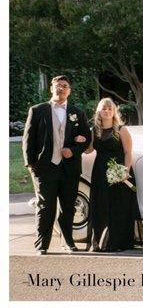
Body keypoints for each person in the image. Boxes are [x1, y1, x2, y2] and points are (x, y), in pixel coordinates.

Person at [22, 75, 91, 255]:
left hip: (70, 168)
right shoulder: (37, 110)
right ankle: (42, 245)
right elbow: (28, 140)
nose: (61, 88)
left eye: (64, 86)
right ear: (51, 88)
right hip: (44, 167)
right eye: (57, 85)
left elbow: (86, 138)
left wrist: (74, 150)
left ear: (69, 90)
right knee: (46, 207)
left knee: (68, 206)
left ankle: (68, 242)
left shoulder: (78, 112)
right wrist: (30, 165)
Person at [83, 98, 143, 252]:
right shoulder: (95, 130)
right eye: (104, 108)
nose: (107, 111)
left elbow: (128, 152)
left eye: (110, 109)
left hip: (118, 171)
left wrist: (125, 171)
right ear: (99, 110)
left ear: (114, 111)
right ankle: (101, 241)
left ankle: (118, 242)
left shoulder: (121, 129)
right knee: (102, 205)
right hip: (99, 172)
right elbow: (88, 150)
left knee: (118, 206)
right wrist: (80, 138)